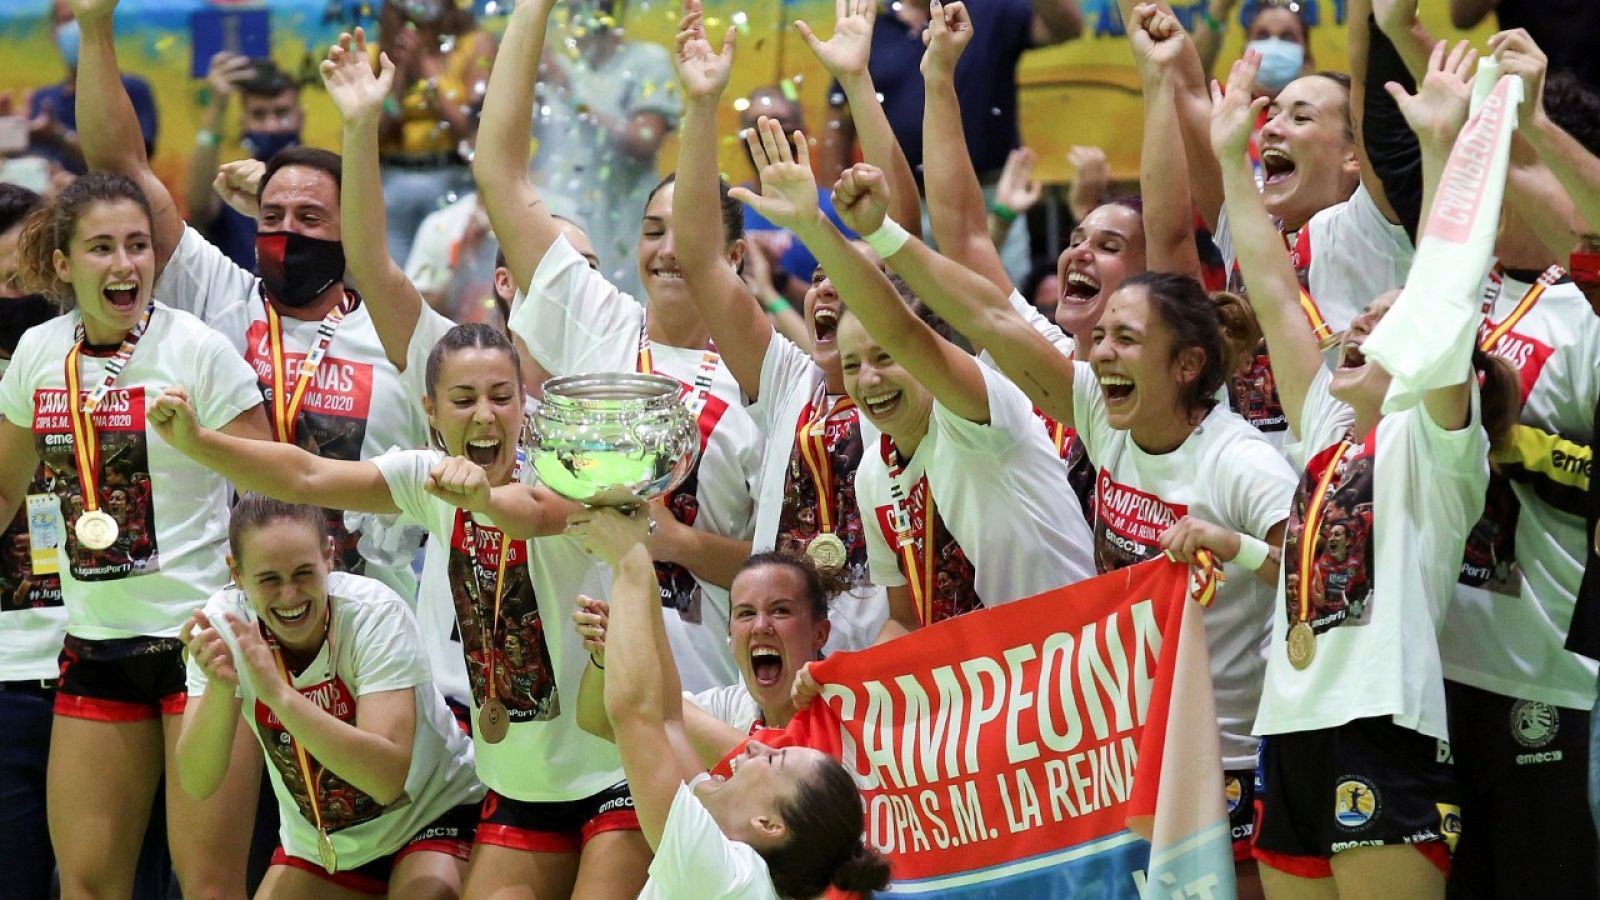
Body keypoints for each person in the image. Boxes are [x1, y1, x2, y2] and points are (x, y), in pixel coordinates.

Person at [149, 323, 656, 899]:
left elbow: (532, 513)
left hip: (612, 771)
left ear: (526, 402)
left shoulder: (572, 473)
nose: (486, 415)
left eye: (502, 396)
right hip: (518, 787)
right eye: (464, 400)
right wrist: (198, 445)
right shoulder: (429, 480)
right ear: (431, 412)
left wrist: (482, 498)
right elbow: (306, 475)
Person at [1215, 42, 1519, 895]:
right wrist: (1228, 157)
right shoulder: (1323, 427)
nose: (1359, 326)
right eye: (1359, 320)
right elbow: (1274, 291)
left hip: (1382, 723)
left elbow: (1448, 296)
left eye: (1385, 324)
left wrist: (1438, 147)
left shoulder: (1433, 446)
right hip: (1290, 719)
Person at [72, 0, 447, 598]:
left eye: (309, 216)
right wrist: (95, 26)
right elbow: (120, 169)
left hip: (370, 614)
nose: (286, 230)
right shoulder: (221, 297)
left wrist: (353, 137)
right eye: (272, 215)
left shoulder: (396, 332)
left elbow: (376, 265)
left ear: (349, 229)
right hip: (232, 610)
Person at [475, 0, 763, 693]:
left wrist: (679, 544)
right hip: (599, 707)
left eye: (685, 231)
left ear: (734, 254)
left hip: (717, 696)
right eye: (650, 229)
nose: (667, 251)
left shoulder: (764, 373)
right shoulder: (603, 324)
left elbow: (791, 566)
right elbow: (499, 174)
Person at [0, 170, 271, 898]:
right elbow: (4, 489)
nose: (125, 265)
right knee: (87, 885)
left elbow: (276, 486)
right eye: (101, 248)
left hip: (199, 649)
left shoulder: (199, 349)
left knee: (208, 884)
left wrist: (204, 443)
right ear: (61, 265)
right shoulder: (37, 357)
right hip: (93, 647)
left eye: (138, 246)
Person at [735, 108, 1098, 636]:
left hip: (1077, 661)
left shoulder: (974, 412)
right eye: (855, 365)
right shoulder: (873, 475)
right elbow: (905, 621)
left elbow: (904, 326)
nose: (869, 380)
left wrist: (816, 227)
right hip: (998, 686)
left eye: (885, 359)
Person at [675, 0, 927, 652]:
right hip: (778, 668)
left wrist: (857, 82)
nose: (823, 283)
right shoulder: (787, 377)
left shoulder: (921, 380)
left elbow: (903, 235)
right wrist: (700, 110)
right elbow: (702, 260)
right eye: (815, 276)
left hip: (892, 674)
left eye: (842, 274)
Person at [568, 507, 891, 899]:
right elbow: (669, 719)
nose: (756, 744)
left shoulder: (727, 879)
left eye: (774, 759)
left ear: (769, 824)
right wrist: (641, 554)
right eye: (745, 613)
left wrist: (629, 563)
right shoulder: (732, 850)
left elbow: (635, 715)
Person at [178, 495, 483, 898]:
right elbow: (198, 782)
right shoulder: (223, 625)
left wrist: (279, 695)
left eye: (303, 573)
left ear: (328, 557)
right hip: (323, 844)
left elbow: (385, 780)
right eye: (269, 579)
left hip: (431, 813)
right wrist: (218, 688)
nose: (290, 596)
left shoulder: (374, 614)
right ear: (236, 572)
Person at [817, 0, 1084, 282]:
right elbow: (839, 121)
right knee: (908, 308)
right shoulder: (872, 23)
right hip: (900, 201)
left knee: (1000, 306)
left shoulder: (988, 10)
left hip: (988, 197)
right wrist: (841, 212)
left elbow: (1065, 29)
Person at [576, 551, 835, 750]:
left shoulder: (849, 711)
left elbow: (779, 773)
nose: (760, 626)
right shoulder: (729, 709)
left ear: (820, 633)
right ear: (730, 635)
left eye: (780, 611)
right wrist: (604, 659)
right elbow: (600, 722)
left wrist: (630, 557)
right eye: (745, 613)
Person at [530, 0, 681, 300]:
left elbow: (643, 140)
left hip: (624, 217)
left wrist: (569, 92)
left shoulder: (647, 62)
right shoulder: (563, 64)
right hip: (568, 216)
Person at [375, 0, 496, 265]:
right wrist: (399, 73)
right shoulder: (381, 51)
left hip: (452, 179)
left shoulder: (474, 44)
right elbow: (377, 134)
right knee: (392, 283)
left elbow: (466, 126)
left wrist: (424, 69)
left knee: (447, 286)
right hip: (393, 183)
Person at [186, 53, 304, 274]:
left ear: (301, 117)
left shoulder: (323, 182)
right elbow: (198, 204)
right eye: (259, 115)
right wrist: (217, 106)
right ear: (244, 123)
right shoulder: (233, 184)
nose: (271, 126)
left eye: (282, 113)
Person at [24, 0, 155, 175]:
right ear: (54, 34)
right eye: (69, 18)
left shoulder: (134, 90)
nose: (79, 25)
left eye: (83, 17)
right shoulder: (42, 100)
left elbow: (128, 167)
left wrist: (59, 134)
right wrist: (11, 132)